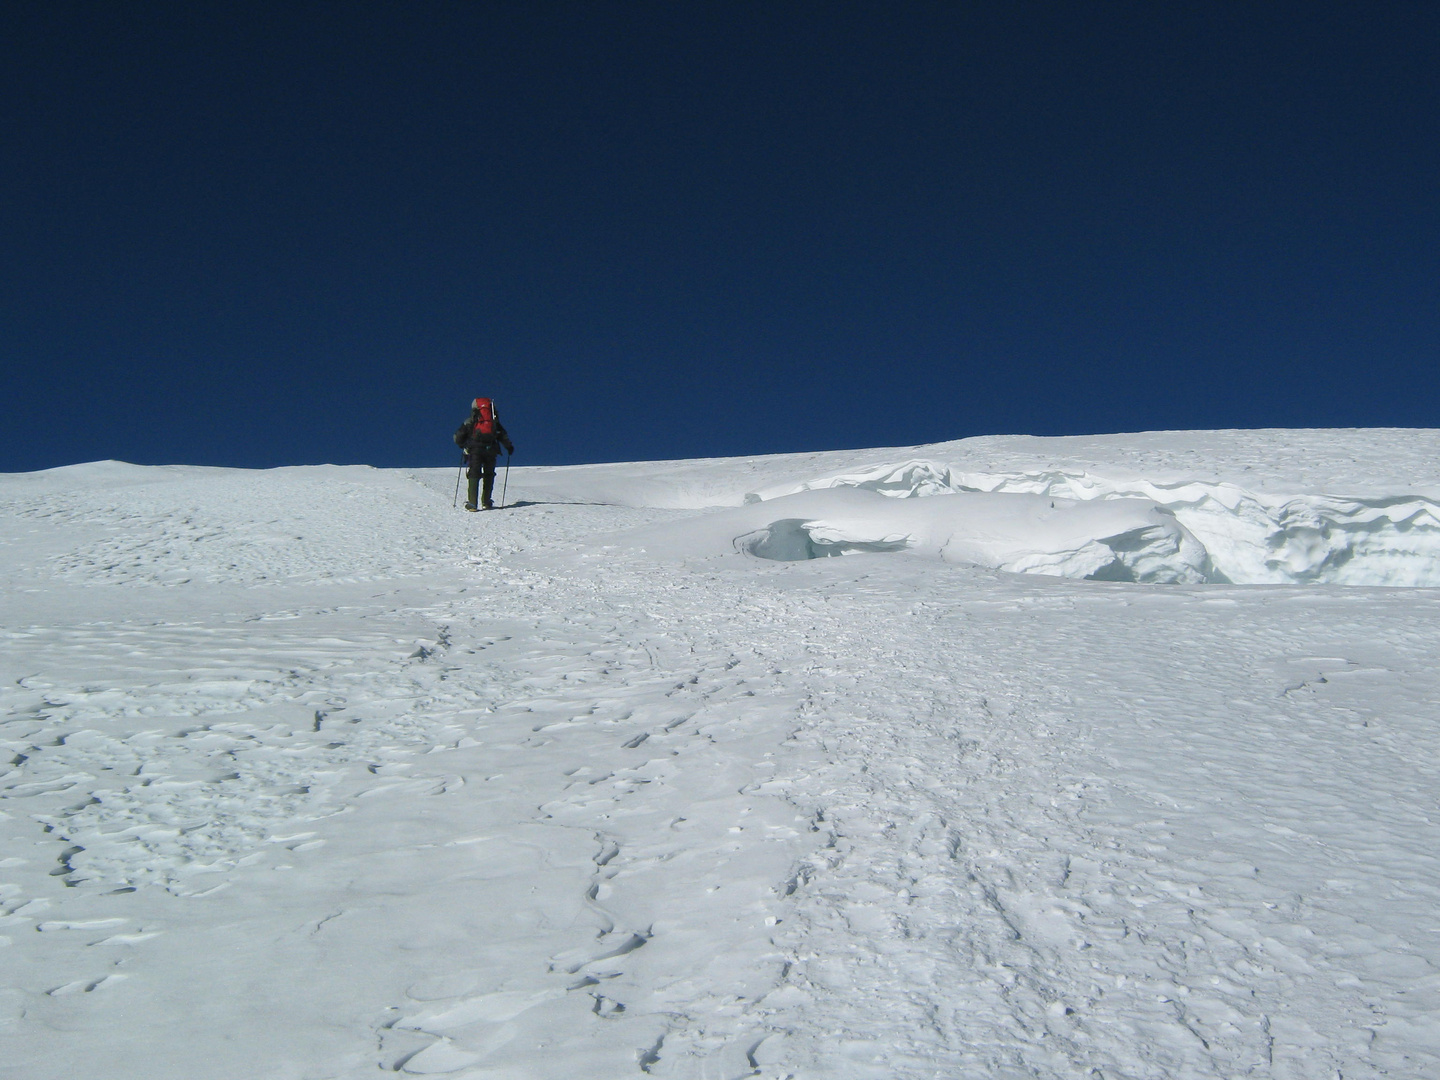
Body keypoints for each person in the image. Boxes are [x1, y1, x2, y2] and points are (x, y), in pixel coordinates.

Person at [453, 397, 514, 511]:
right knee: (489, 474)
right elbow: (503, 435)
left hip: (475, 449)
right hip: (491, 449)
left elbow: (458, 437)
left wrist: (464, 445)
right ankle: (486, 501)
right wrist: (509, 447)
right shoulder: (494, 422)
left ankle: (472, 503)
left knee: (474, 474)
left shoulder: (471, 420)